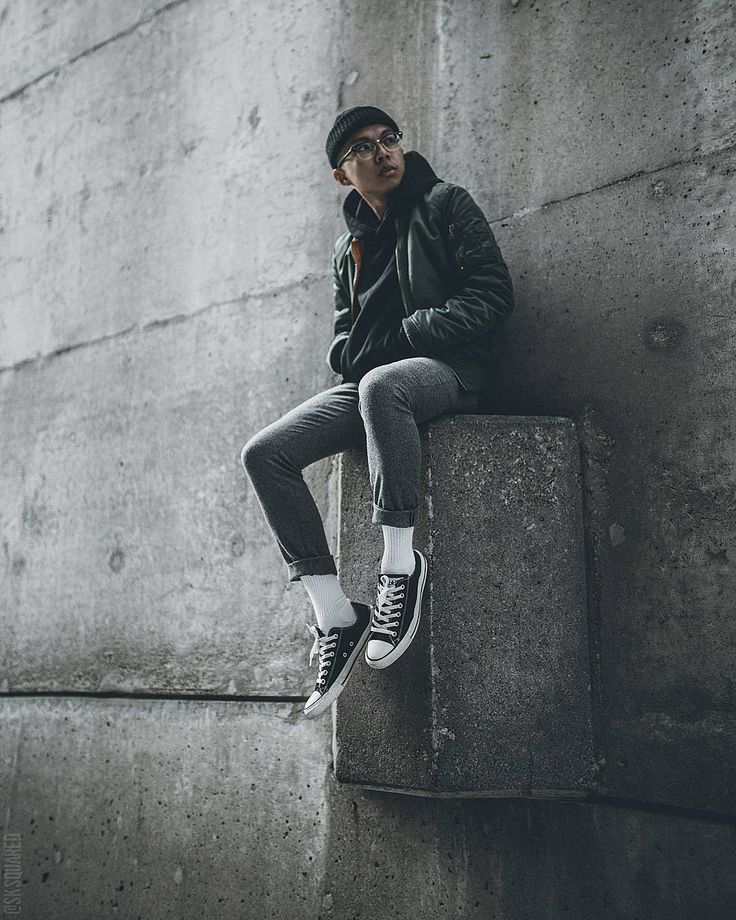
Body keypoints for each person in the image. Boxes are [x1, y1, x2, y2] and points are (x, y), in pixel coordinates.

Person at [240, 105, 514, 719]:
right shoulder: (350, 246)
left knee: (381, 387)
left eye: (389, 138)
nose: (384, 151)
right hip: (368, 378)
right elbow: (344, 329)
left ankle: (398, 568)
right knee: (264, 453)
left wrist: (414, 333)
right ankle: (335, 614)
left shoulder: (446, 205)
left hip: (448, 370)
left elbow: (494, 294)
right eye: (364, 147)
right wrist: (349, 349)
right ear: (343, 174)